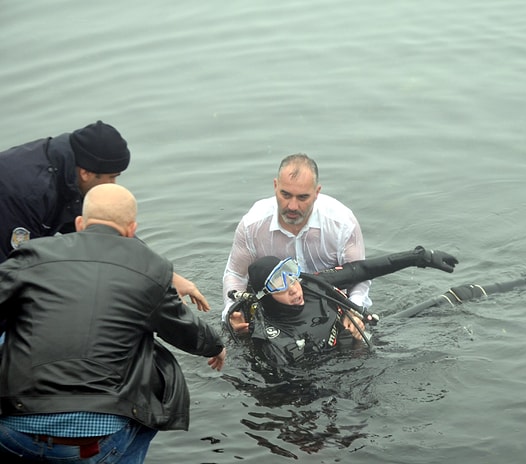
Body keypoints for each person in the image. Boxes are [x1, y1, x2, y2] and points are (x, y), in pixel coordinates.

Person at [0, 184, 226, 463]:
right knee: (151, 359)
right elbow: (184, 330)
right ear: (132, 230)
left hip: (14, 431)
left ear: (80, 223)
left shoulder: (30, 255)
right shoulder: (151, 266)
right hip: (94, 442)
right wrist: (216, 345)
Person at [0, 121, 209, 310]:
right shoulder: (32, 192)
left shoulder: (69, 175)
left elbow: (109, 234)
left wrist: (166, 276)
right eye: (111, 178)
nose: (113, 186)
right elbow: (18, 272)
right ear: (86, 173)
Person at [225, 246, 458, 372]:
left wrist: (419, 257)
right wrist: (241, 336)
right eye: (280, 285)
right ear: (264, 296)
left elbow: (362, 269)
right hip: (344, 371)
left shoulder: (311, 285)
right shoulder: (268, 336)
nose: (294, 289)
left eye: (292, 276)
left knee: (448, 302)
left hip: (367, 341)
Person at [222, 153, 368, 325]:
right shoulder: (252, 225)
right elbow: (236, 275)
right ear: (275, 186)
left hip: (330, 304)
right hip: (275, 310)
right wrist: (232, 311)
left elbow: (359, 274)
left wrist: (355, 309)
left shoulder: (342, 223)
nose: (292, 206)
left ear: (317, 193)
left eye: (302, 197)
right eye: (285, 195)